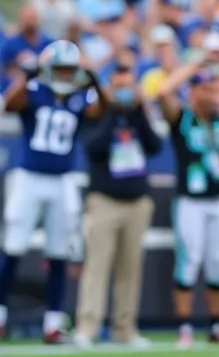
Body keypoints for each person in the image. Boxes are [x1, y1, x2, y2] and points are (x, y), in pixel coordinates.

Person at [0, 40, 102, 342]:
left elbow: (101, 109)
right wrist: (28, 76)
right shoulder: (33, 90)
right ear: (47, 68)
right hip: (29, 177)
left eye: (69, 69)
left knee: (59, 252)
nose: (64, 75)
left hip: (62, 179)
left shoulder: (81, 96)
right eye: (59, 68)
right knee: (13, 247)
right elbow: (8, 103)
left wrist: (95, 78)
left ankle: (53, 324)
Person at [157, 56, 219, 346]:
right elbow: (163, 93)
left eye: (215, 89)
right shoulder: (183, 118)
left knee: (218, 263)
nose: (212, 95)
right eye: (206, 89)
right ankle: (184, 328)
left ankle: (215, 327)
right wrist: (192, 64)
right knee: (189, 261)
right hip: (191, 201)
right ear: (193, 91)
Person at [74, 58, 163, 347]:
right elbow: (93, 147)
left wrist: (137, 111)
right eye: (119, 86)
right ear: (110, 88)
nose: (125, 91)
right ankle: (87, 327)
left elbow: (154, 145)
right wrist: (112, 110)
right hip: (104, 200)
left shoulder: (137, 114)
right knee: (97, 266)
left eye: (129, 86)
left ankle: (124, 329)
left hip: (136, 201)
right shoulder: (96, 113)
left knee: (130, 269)